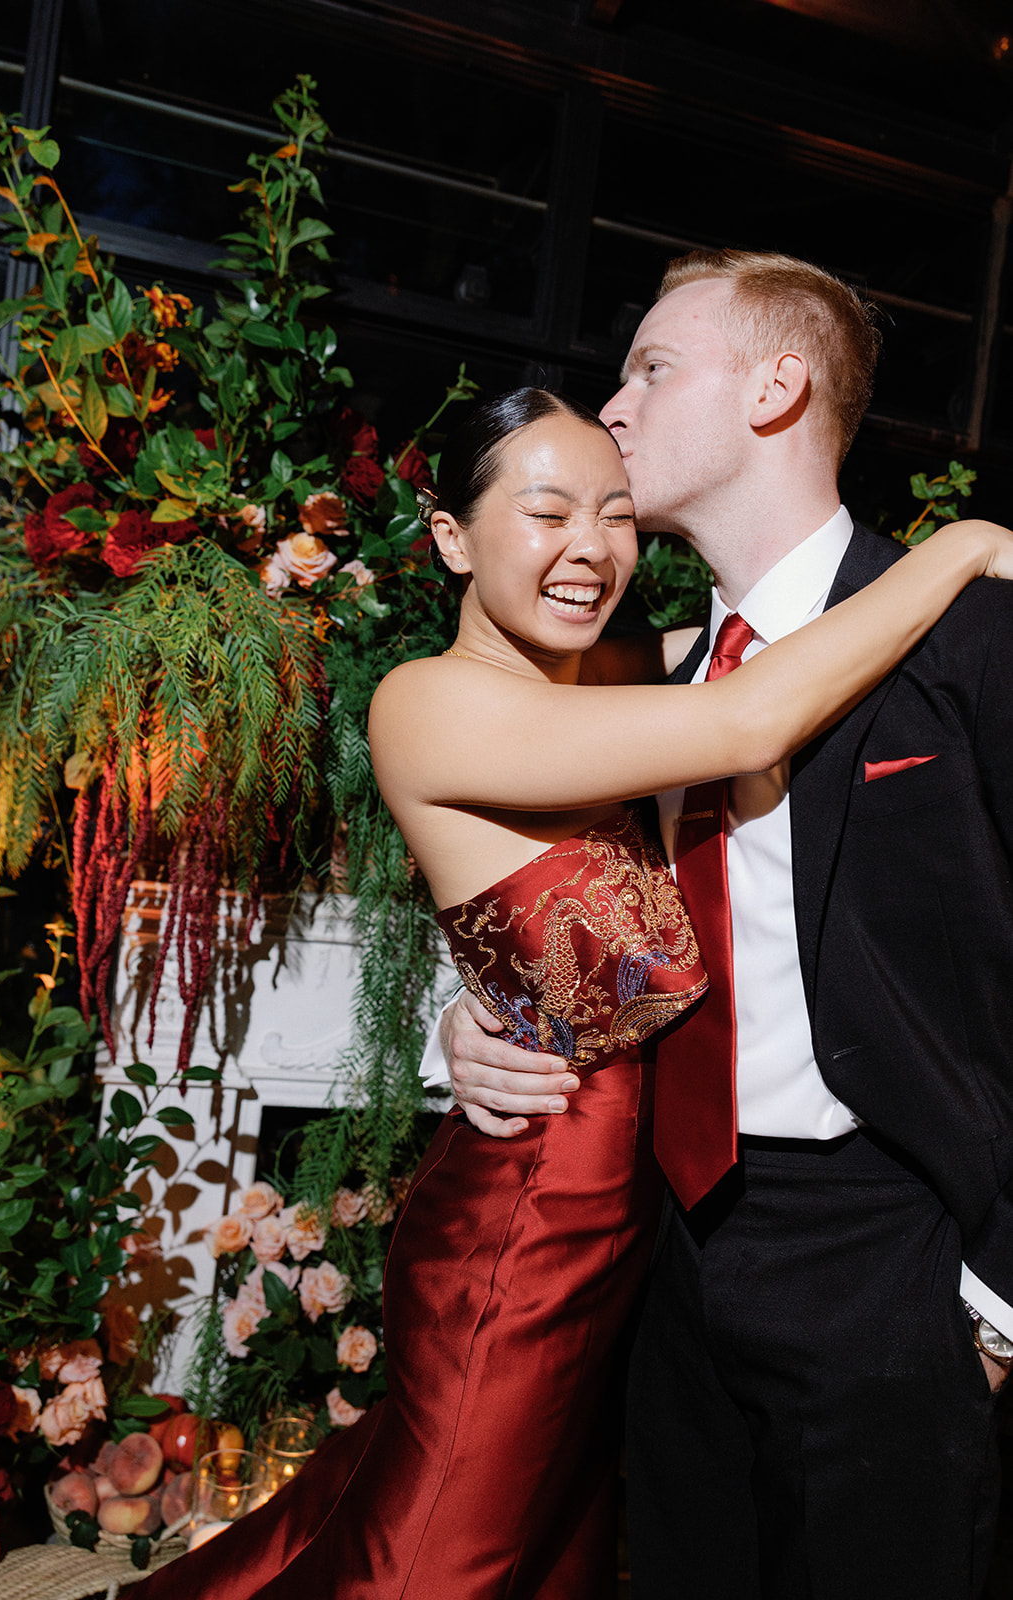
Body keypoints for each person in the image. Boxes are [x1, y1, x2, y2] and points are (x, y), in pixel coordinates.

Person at [130, 385, 1013, 1600]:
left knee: (540, 1555)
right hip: (526, 1207)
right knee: (434, 1559)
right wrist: (962, 548)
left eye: (613, 515)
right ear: (449, 537)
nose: (589, 549)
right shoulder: (423, 697)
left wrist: (470, 1014)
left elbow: (748, 646)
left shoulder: (591, 682)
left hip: (633, 1219)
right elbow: (749, 714)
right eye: (545, 512)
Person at [435, 253, 1013, 1600]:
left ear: (773, 385)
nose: (613, 407)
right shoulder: (657, 683)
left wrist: (991, 1299)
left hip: (892, 1251)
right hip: (671, 1247)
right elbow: (612, 934)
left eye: (651, 367)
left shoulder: (973, 637)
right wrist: (487, 1024)